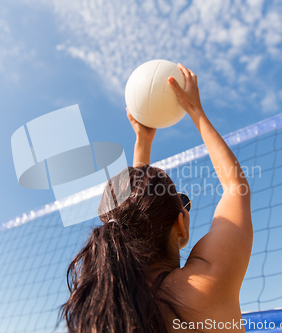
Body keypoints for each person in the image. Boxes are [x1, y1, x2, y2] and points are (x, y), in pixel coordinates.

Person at [59, 63, 253, 332]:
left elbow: (133, 209)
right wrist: (196, 111)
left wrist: (143, 141)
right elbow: (236, 187)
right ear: (180, 224)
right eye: (183, 202)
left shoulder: (101, 308)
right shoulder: (205, 286)